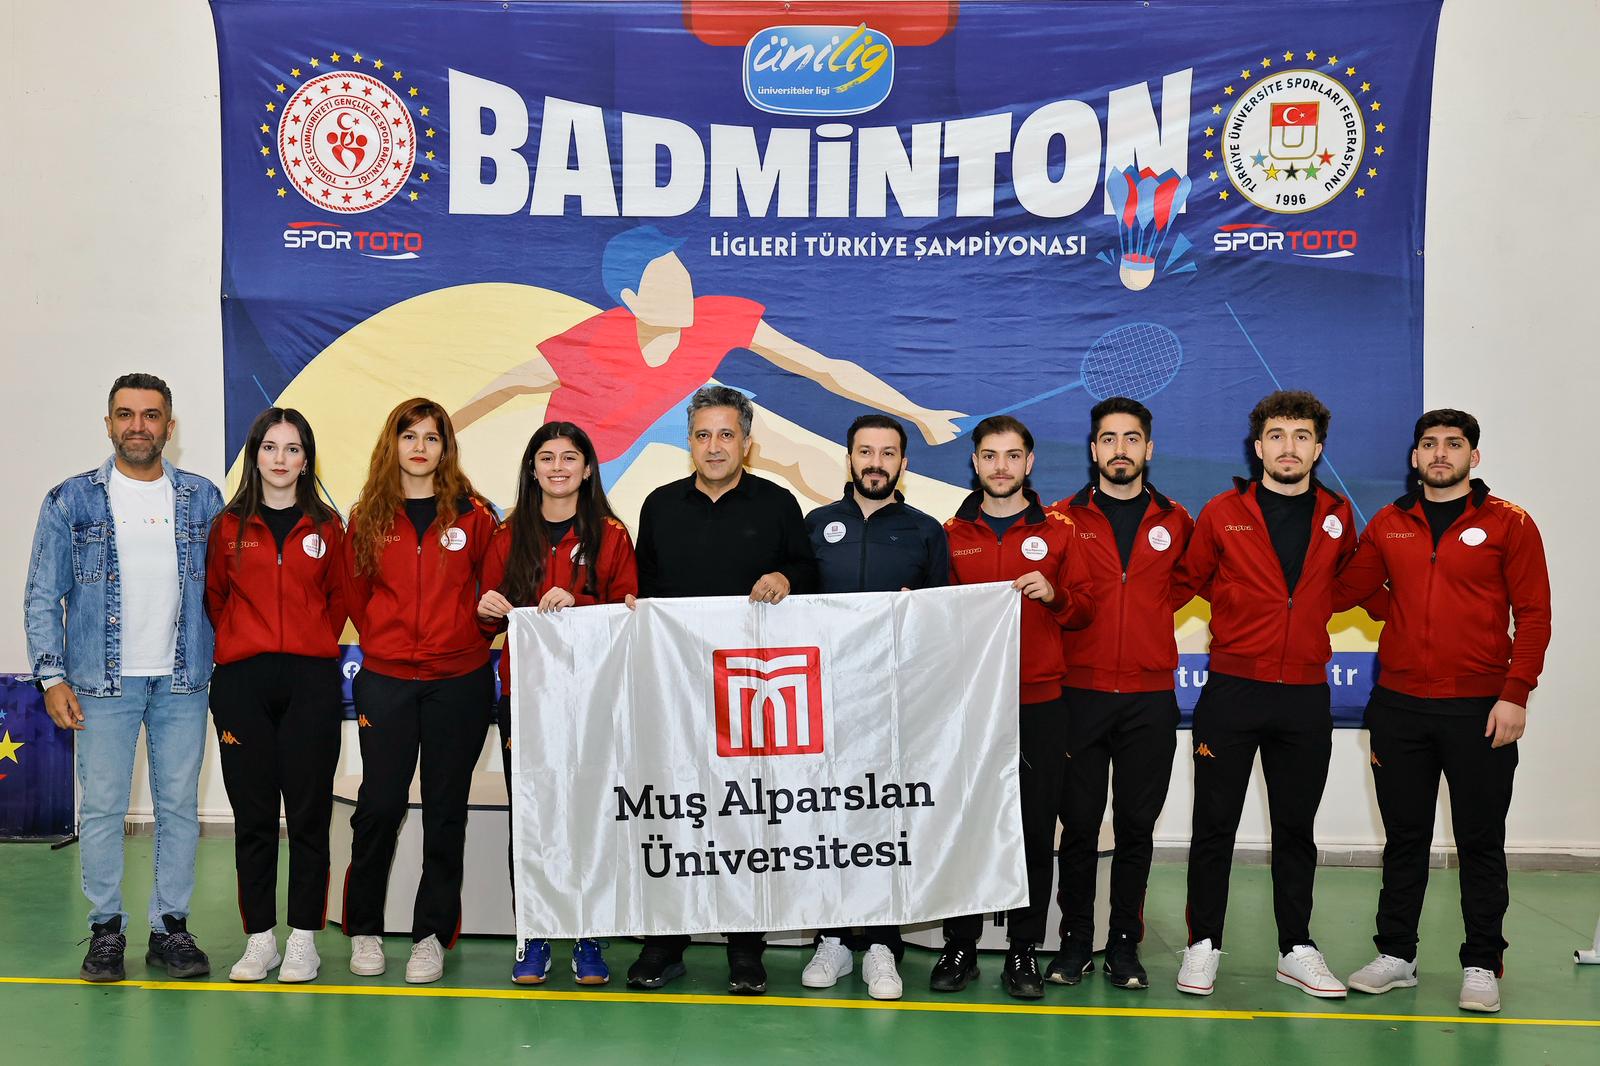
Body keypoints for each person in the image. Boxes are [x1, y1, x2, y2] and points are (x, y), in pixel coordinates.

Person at [451, 225, 963, 502]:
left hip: (678, 406)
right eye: (665, 284)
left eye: (683, 277)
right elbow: (507, 384)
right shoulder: (593, 343)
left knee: (792, 453)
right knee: (546, 513)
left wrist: (918, 414)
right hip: (602, 434)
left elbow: (823, 367)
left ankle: (860, 525)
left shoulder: (715, 317)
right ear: (631, 300)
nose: (684, 291)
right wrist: (442, 439)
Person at [1334, 410, 1550, 1013]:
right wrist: (1398, 610)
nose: (1440, 454)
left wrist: (1515, 693)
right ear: (1415, 458)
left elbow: (1534, 615)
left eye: (1453, 445)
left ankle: (1482, 961)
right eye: (1429, 444)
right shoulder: (1389, 522)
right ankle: (1396, 955)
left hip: (1480, 708)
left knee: (1480, 840)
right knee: (1405, 838)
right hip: (1399, 706)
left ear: (1473, 457)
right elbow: (1350, 589)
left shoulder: (1510, 523)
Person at [24, 373, 224, 982]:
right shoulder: (70, 501)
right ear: (108, 424)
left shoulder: (203, 499)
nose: (139, 426)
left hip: (182, 680)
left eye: (151, 415)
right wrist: (52, 677)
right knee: (105, 808)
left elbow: (227, 592)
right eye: (126, 414)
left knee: (178, 808)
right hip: (99, 683)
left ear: (170, 426)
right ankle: (106, 930)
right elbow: (42, 595)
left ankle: (171, 929)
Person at [624, 385, 819, 995]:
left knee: (744, 817)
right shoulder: (659, 505)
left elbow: (809, 573)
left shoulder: (778, 503)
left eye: (726, 435)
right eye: (703, 435)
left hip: (749, 692)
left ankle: (745, 949)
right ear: (689, 442)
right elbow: (642, 587)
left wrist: (786, 576)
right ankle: (665, 943)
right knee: (673, 812)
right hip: (676, 689)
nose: (714, 446)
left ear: (747, 443)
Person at [1171, 390, 1355, 999]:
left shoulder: (1337, 515)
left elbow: (1348, 586)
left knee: (1296, 830)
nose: (1288, 447)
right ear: (1258, 447)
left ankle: (1296, 948)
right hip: (1233, 692)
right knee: (1214, 826)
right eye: (1277, 435)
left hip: (1304, 695)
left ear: (1317, 449)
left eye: (1302, 436)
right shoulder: (1223, 511)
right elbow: (1183, 583)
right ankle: (1203, 944)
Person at [340, 398, 497, 984]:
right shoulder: (368, 516)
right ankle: (365, 930)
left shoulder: (476, 516)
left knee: (445, 811)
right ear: (394, 443)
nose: (420, 447)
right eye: (409, 436)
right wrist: (387, 642)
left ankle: (431, 936)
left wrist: (467, 635)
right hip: (386, 681)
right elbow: (356, 596)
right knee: (379, 807)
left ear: (445, 447)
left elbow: (492, 595)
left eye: (432, 437)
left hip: (459, 681)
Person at [936, 415, 1093, 1000]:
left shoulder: (1061, 532)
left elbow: (1087, 610)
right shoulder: (949, 533)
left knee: (1032, 827)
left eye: (1011, 456)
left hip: (1040, 703)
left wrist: (1056, 596)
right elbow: (933, 617)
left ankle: (1023, 949)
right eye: (989, 455)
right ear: (975, 463)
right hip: (970, 706)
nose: (1000, 467)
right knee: (966, 824)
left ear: (1029, 462)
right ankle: (960, 944)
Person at [477, 422, 638, 987]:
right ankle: (535, 933)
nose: (558, 468)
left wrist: (582, 602)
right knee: (532, 816)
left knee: (590, 813)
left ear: (588, 469)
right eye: (546, 457)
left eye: (570, 458)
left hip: (593, 697)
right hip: (525, 696)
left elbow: (628, 613)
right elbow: (486, 614)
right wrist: (487, 608)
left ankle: (590, 934)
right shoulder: (507, 533)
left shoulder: (611, 534)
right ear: (532, 468)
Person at [799, 414, 950, 1001]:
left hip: (895, 702)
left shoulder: (925, 531)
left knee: (887, 819)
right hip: (824, 700)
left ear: (903, 464)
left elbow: (944, 620)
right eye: (866, 451)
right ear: (850, 458)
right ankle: (833, 939)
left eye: (888, 453)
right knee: (828, 816)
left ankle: (884, 945)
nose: (876, 463)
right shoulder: (816, 525)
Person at [1047, 397, 1193, 991]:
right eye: (1108, 439)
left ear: (1148, 448)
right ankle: (1076, 942)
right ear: (1093, 449)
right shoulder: (1060, 519)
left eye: (1132, 438)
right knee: (1079, 827)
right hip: (1078, 695)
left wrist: (1144, 624)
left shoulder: (1177, 520)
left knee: (1136, 828)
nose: (1120, 449)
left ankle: (1125, 945)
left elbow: (1183, 585)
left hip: (1148, 699)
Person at [204, 407, 346, 984]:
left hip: (311, 683)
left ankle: (304, 939)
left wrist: (306, 645)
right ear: (255, 455)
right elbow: (216, 598)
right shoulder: (227, 526)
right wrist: (249, 642)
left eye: (292, 448)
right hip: (243, 684)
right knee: (254, 817)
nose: (280, 458)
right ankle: (260, 938)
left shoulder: (328, 528)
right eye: (270, 447)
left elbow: (339, 601)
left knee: (309, 816)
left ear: (306, 460)